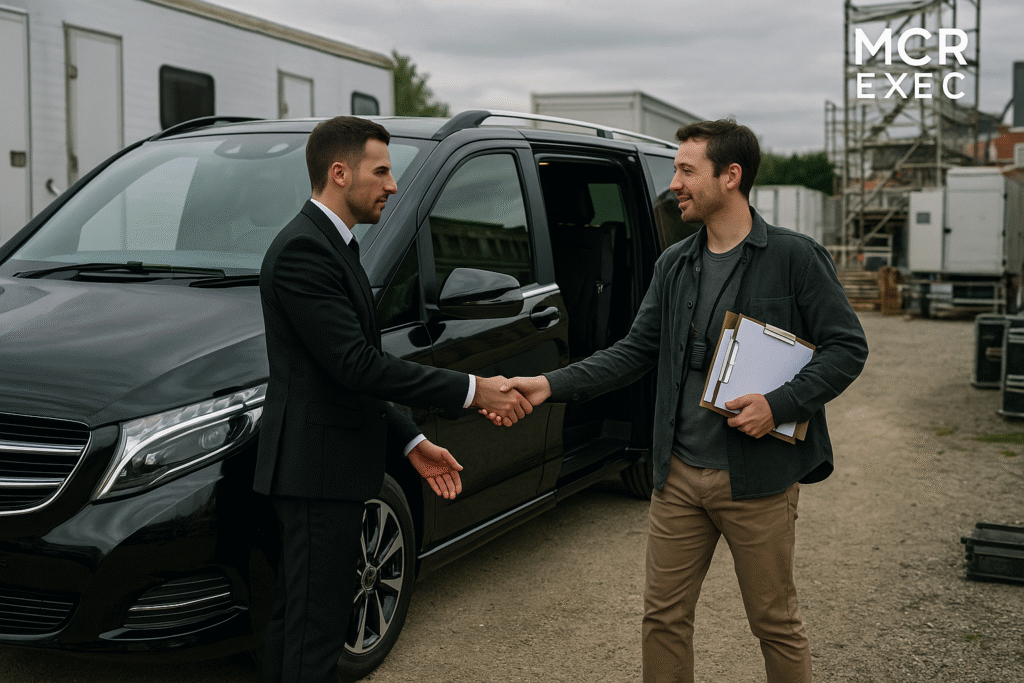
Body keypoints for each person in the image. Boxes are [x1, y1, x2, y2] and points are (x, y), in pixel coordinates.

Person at [499, 119, 868, 683]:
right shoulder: (674, 264)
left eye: (687, 170)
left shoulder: (794, 257)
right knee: (663, 619)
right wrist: (550, 385)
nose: (674, 182)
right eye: (676, 169)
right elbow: (632, 352)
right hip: (678, 477)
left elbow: (847, 348)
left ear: (731, 176)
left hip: (759, 480)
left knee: (774, 623)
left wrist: (781, 403)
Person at [254, 116, 532, 683]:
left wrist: (410, 440)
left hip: (328, 472)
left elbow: (346, 376)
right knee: (313, 634)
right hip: (315, 476)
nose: (392, 185)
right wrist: (474, 390)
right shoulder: (303, 252)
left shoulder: (335, 245)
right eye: (381, 171)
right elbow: (356, 365)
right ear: (339, 172)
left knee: (308, 623)